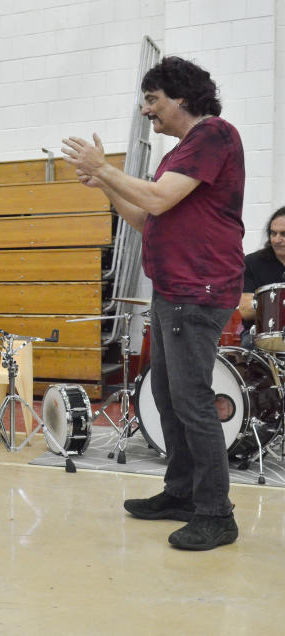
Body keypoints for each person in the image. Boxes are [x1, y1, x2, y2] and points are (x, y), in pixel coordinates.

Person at [62, 56, 244, 550]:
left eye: (152, 99)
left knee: (191, 401)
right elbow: (148, 218)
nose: (146, 110)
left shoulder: (213, 136)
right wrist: (105, 183)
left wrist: (107, 168)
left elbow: (159, 200)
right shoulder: (182, 152)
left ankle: (216, 514)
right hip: (173, 290)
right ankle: (182, 493)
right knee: (167, 396)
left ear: (181, 97)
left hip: (197, 289)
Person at [239, 205, 285, 340]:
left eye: (283, 234)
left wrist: (267, 306)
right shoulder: (253, 262)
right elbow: (246, 311)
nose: (276, 240)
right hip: (258, 334)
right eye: (273, 233)